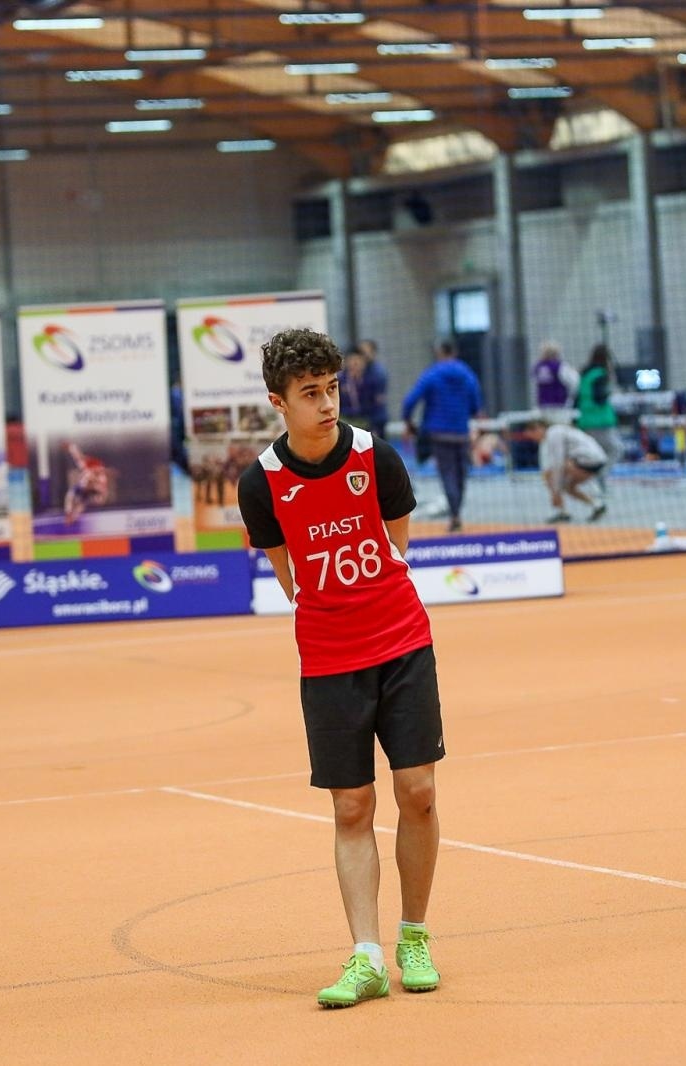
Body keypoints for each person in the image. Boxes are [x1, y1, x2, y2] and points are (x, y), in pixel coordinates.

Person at [236, 328, 444, 1009]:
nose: (326, 405)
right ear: (279, 402)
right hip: (329, 659)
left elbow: (396, 548)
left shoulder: (374, 457)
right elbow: (291, 580)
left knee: (418, 792)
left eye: (331, 389)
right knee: (351, 805)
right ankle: (366, 956)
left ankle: (414, 936)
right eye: (310, 394)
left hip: (402, 643)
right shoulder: (260, 484)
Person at [402, 340, 482, 533]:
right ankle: (457, 512)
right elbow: (476, 403)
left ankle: (454, 515)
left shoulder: (432, 373)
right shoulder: (467, 374)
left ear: (439, 352)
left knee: (447, 474)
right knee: (461, 475)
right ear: (455, 352)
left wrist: (408, 421)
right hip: (461, 432)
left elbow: (411, 400)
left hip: (439, 433)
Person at [524, 417, 607, 523]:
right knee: (568, 487)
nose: (533, 439)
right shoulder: (555, 433)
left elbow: (558, 464)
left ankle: (562, 511)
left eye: (532, 435)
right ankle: (598, 505)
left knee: (552, 475)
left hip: (590, 461)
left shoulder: (554, 433)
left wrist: (555, 492)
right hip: (594, 460)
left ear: (539, 428)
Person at [574, 344, 621, 467]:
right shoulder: (601, 374)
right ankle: (598, 475)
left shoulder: (585, 374)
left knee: (593, 452)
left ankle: (592, 474)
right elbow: (600, 398)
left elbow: (577, 398)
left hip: (585, 419)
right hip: (600, 420)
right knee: (616, 450)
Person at [63, 442, 113, 525]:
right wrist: (71, 447)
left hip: (90, 491)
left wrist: (100, 497)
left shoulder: (101, 477)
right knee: (71, 495)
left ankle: (72, 517)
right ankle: (69, 514)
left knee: (82, 503)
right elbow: (78, 456)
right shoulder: (87, 468)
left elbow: (103, 491)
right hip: (83, 488)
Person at [355, 339, 391, 439]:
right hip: (367, 417)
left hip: (375, 418)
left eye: (364, 352)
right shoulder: (365, 370)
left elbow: (376, 399)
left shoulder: (377, 372)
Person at [531, 341, 578, 413]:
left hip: (542, 406)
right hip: (559, 405)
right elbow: (575, 382)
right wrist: (571, 398)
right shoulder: (560, 367)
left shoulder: (538, 367)